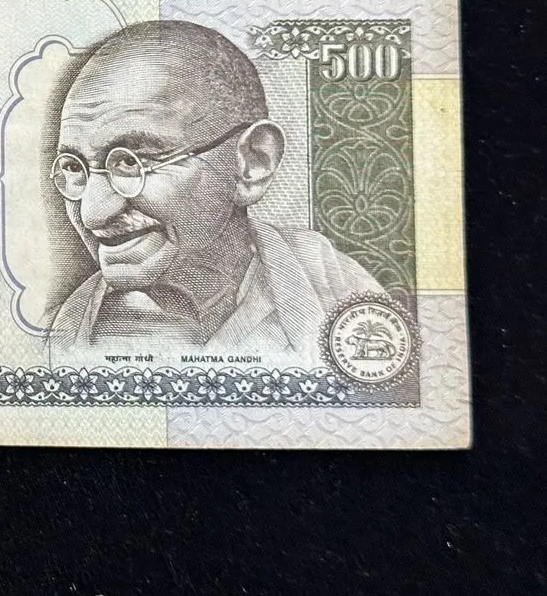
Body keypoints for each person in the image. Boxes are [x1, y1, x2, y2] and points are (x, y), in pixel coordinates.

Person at [48, 20, 383, 360]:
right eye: (75, 168)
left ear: (252, 164)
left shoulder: (343, 300)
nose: (93, 213)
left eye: (134, 162)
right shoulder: (61, 336)